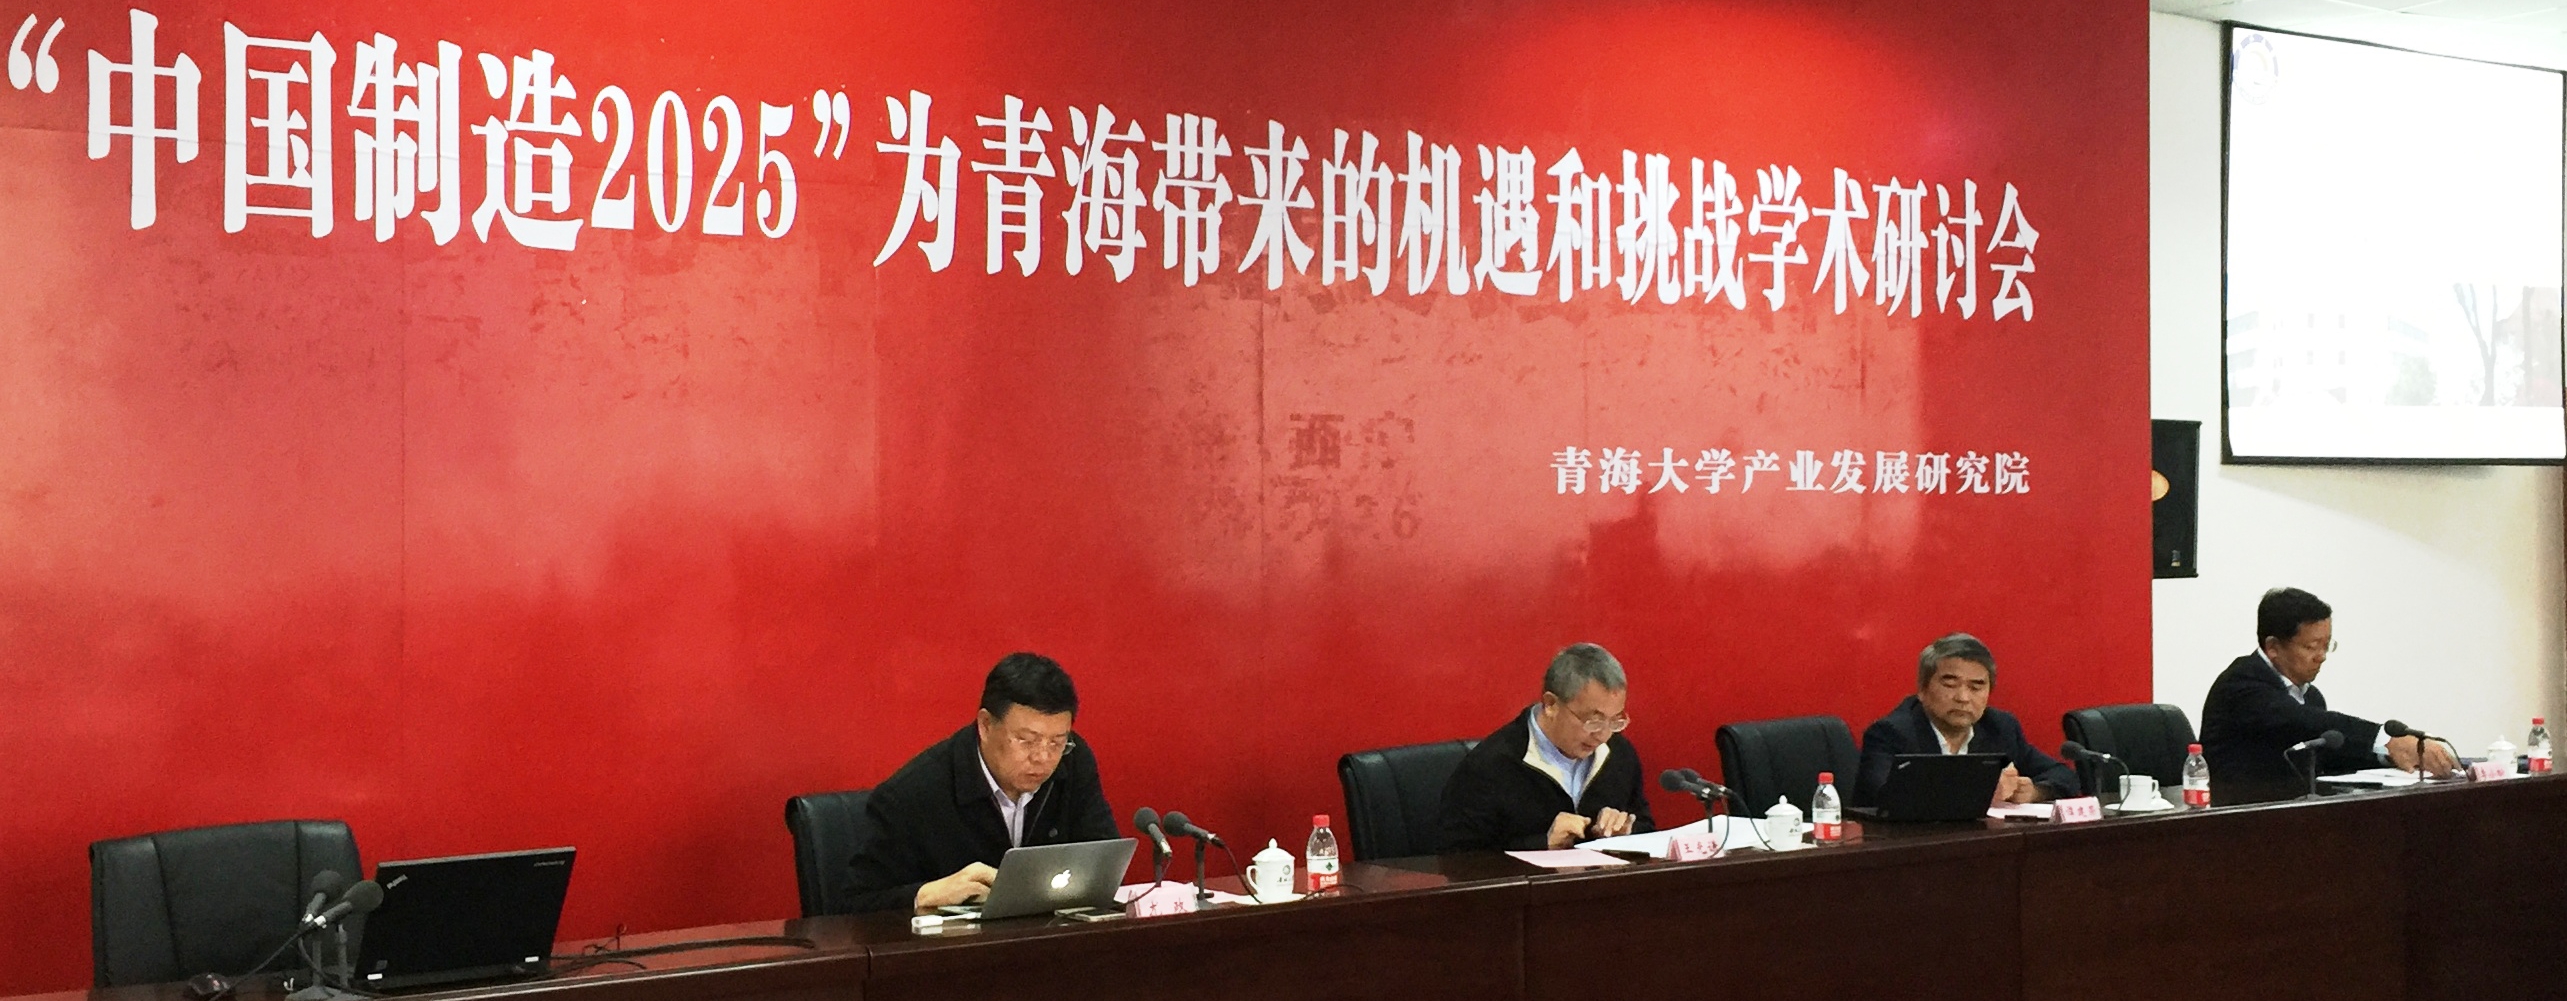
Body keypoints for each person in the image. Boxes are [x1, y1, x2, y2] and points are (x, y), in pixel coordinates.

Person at [842, 652, 1119, 913]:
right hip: (955, 946)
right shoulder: (912, 795)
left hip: (1050, 939)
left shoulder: (1073, 760)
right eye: (1026, 740)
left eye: (1057, 742)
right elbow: (855, 905)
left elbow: (1104, 859)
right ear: (985, 725)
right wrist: (923, 895)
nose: (1042, 757)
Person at [2199, 587, 2458, 804]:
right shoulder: (2241, 685)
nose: (2321, 656)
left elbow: (2329, 755)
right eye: (2312, 647)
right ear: (2273, 647)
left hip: (2294, 815)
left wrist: (2392, 757)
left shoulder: (2310, 696)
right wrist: (2386, 740)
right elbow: (2300, 721)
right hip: (2237, 822)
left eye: (2326, 645)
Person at [1438, 643, 1655, 852]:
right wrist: (1541, 843)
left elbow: (1646, 828)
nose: (1603, 735)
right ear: (1551, 704)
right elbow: (1458, 860)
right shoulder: (1489, 767)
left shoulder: (1619, 754)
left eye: (1614, 721)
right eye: (1593, 721)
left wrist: (1626, 832)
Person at [1856, 632, 2078, 807]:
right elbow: (1885, 794)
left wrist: (2033, 792)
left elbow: (2064, 776)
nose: (1963, 698)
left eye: (1976, 687)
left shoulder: (1999, 727)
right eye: (1950, 684)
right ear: (1922, 690)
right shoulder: (1890, 733)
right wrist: (1979, 789)